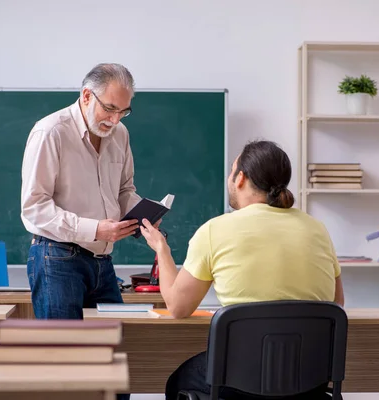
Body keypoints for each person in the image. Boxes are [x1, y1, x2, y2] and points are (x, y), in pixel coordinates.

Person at [139, 140, 345, 400]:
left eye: (231, 171)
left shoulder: (215, 230)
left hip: (240, 380)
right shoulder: (317, 229)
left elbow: (178, 307)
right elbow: (336, 304)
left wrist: (162, 249)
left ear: (241, 178)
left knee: (177, 383)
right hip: (309, 378)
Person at [20, 63, 144, 321]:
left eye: (124, 111)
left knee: (115, 345)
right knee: (64, 349)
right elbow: (34, 207)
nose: (115, 119)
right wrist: (95, 229)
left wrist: (143, 212)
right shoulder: (51, 132)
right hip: (57, 257)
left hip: (102, 261)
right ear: (87, 95)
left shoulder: (120, 134)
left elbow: (123, 189)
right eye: (109, 109)